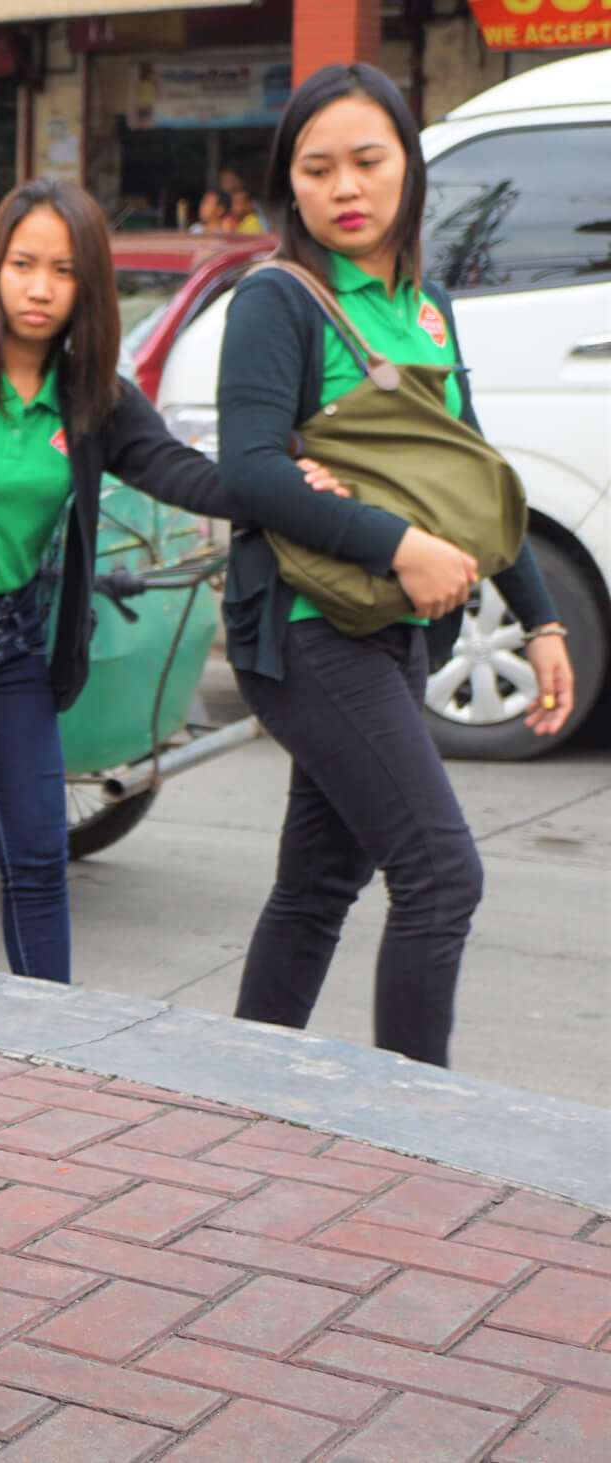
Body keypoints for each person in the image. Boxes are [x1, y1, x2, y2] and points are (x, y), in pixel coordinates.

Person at [0, 179, 351, 979]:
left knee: (36, 860)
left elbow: (179, 472)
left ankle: (50, 1049)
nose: (40, 288)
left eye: (63, 271)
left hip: (8, 645)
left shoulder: (90, 395)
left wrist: (281, 486)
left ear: (88, 284)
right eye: (24, 264)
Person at [217, 65, 574, 1068]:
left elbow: (471, 474)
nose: (344, 188)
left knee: (316, 885)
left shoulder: (425, 310)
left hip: (395, 628)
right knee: (438, 874)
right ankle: (419, 1128)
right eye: (316, 167)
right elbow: (245, 471)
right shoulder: (276, 300)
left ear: (408, 170)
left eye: (367, 162)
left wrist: (536, 618)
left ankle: (232, 1087)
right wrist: (398, 544)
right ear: (288, 184)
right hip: (302, 626)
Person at [220, 167, 265, 234]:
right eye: (224, 180)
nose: (227, 184)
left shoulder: (251, 222)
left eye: (230, 179)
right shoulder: (236, 219)